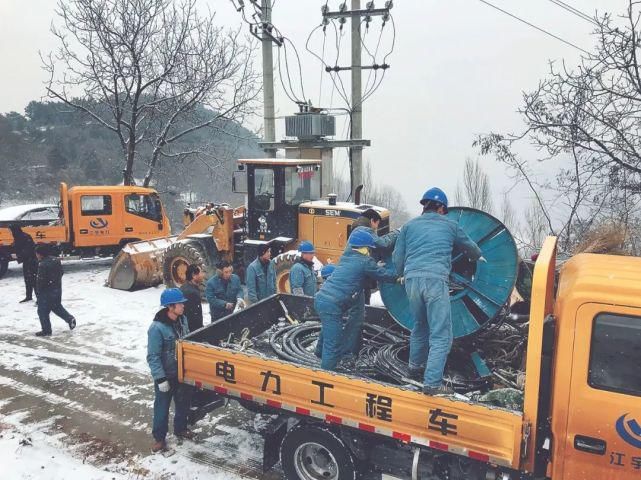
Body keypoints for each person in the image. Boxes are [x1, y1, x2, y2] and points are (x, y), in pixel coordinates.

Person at [393, 187, 483, 396]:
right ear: (441, 207)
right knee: (442, 335)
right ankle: (432, 383)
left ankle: (415, 369)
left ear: (425, 206)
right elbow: (472, 249)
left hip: (412, 281)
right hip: (435, 281)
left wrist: (400, 274)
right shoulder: (450, 225)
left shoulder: (408, 226)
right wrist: (476, 256)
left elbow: (398, 257)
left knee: (420, 326)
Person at [314, 230, 397, 371]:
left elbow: (363, 269)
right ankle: (327, 375)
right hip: (333, 305)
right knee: (333, 344)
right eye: (369, 249)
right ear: (363, 248)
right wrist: (398, 277)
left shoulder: (347, 256)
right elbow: (382, 274)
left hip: (322, 299)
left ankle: (318, 353)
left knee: (328, 331)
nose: (370, 252)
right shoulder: (364, 261)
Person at [343, 209, 400, 355]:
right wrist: (397, 233)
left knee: (356, 316)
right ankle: (350, 351)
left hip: (356, 282)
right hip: (358, 284)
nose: (376, 228)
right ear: (373, 221)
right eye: (377, 224)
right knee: (356, 318)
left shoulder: (357, 230)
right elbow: (383, 243)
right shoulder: (364, 230)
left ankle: (351, 347)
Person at [147, 288, 195, 452]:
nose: (183, 306)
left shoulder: (183, 321)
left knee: (183, 404)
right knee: (162, 407)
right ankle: (159, 438)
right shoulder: (157, 328)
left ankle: (180, 428)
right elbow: (153, 356)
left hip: (182, 373)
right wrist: (160, 379)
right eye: (180, 304)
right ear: (170, 307)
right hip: (166, 376)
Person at [34, 245, 76, 336]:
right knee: (56, 307)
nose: (36, 256)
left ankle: (46, 330)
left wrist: (38, 293)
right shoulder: (55, 260)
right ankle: (70, 319)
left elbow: (40, 281)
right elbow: (61, 273)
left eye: (37, 254)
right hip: (56, 289)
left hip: (46, 292)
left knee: (42, 311)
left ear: (40, 254)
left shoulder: (42, 264)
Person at [9, 226, 38, 303]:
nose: (10, 232)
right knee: (27, 279)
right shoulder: (18, 236)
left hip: (32, 261)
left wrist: (18, 255)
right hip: (26, 261)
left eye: (11, 230)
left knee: (34, 280)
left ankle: (39, 298)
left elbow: (29, 250)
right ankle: (28, 296)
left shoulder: (25, 236)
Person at [180, 265, 205, 332]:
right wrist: (200, 329)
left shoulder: (186, 286)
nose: (203, 275)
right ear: (194, 275)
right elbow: (194, 316)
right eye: (201, 272)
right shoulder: (191, 292)